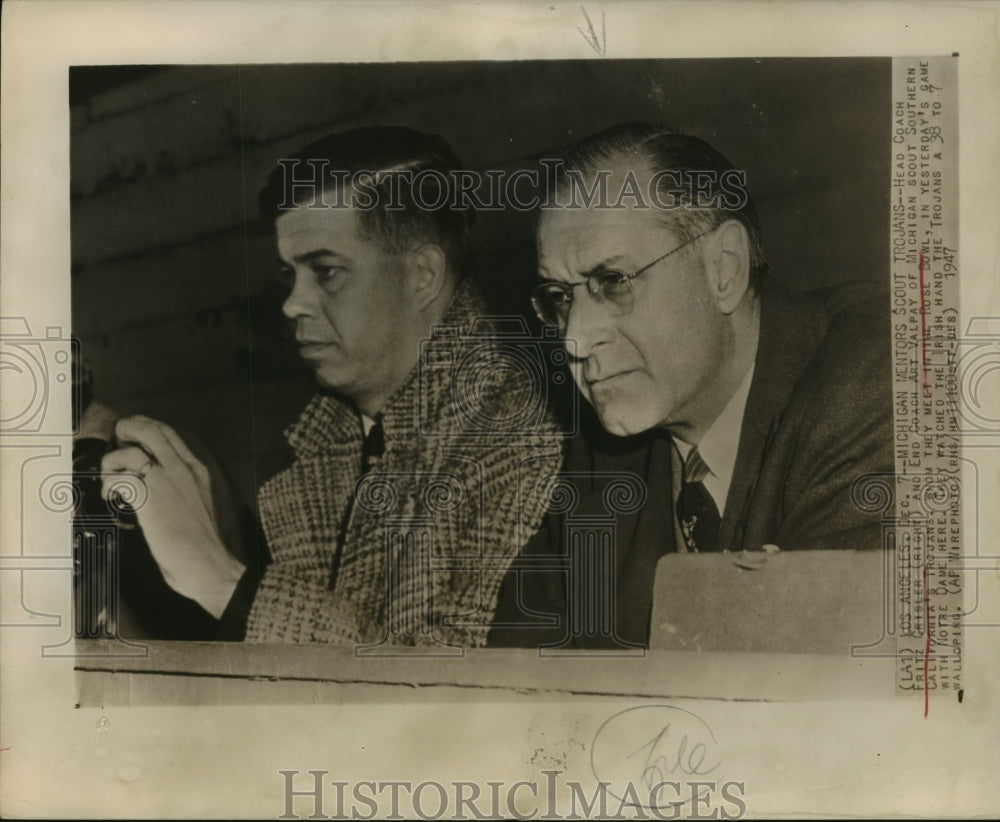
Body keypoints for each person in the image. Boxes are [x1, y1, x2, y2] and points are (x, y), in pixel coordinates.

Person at [100, 126, 563, 647]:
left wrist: (227, 584)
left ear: (423, 275)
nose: (292, 304)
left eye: (326, 271)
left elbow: (452, 696)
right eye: (289, 275)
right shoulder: (337, 441)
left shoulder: (522, 442)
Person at [488, 123, 894, 650]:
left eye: (613, 282)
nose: (575, 339)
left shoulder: (876, 376)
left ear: (723, 269)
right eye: (561, 298)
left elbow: (840, 682)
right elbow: (516, 680)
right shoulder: (601, 451)